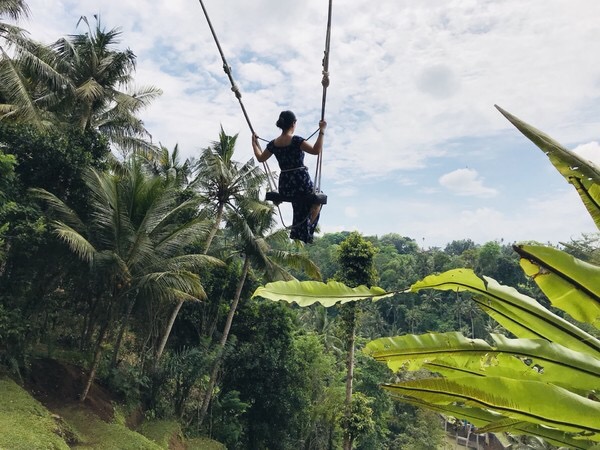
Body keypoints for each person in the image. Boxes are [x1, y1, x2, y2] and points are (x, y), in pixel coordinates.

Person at [252, 110, 327, 243]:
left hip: (285, 185)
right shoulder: (296, 140)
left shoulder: (273, 144)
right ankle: (307, 227)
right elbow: (316, 150)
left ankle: (302, 228)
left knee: (299, 204)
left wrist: (254, 144)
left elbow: (260, 158)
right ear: (293, 123)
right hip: (301, 182)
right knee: (318, 200)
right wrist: (321, 131)